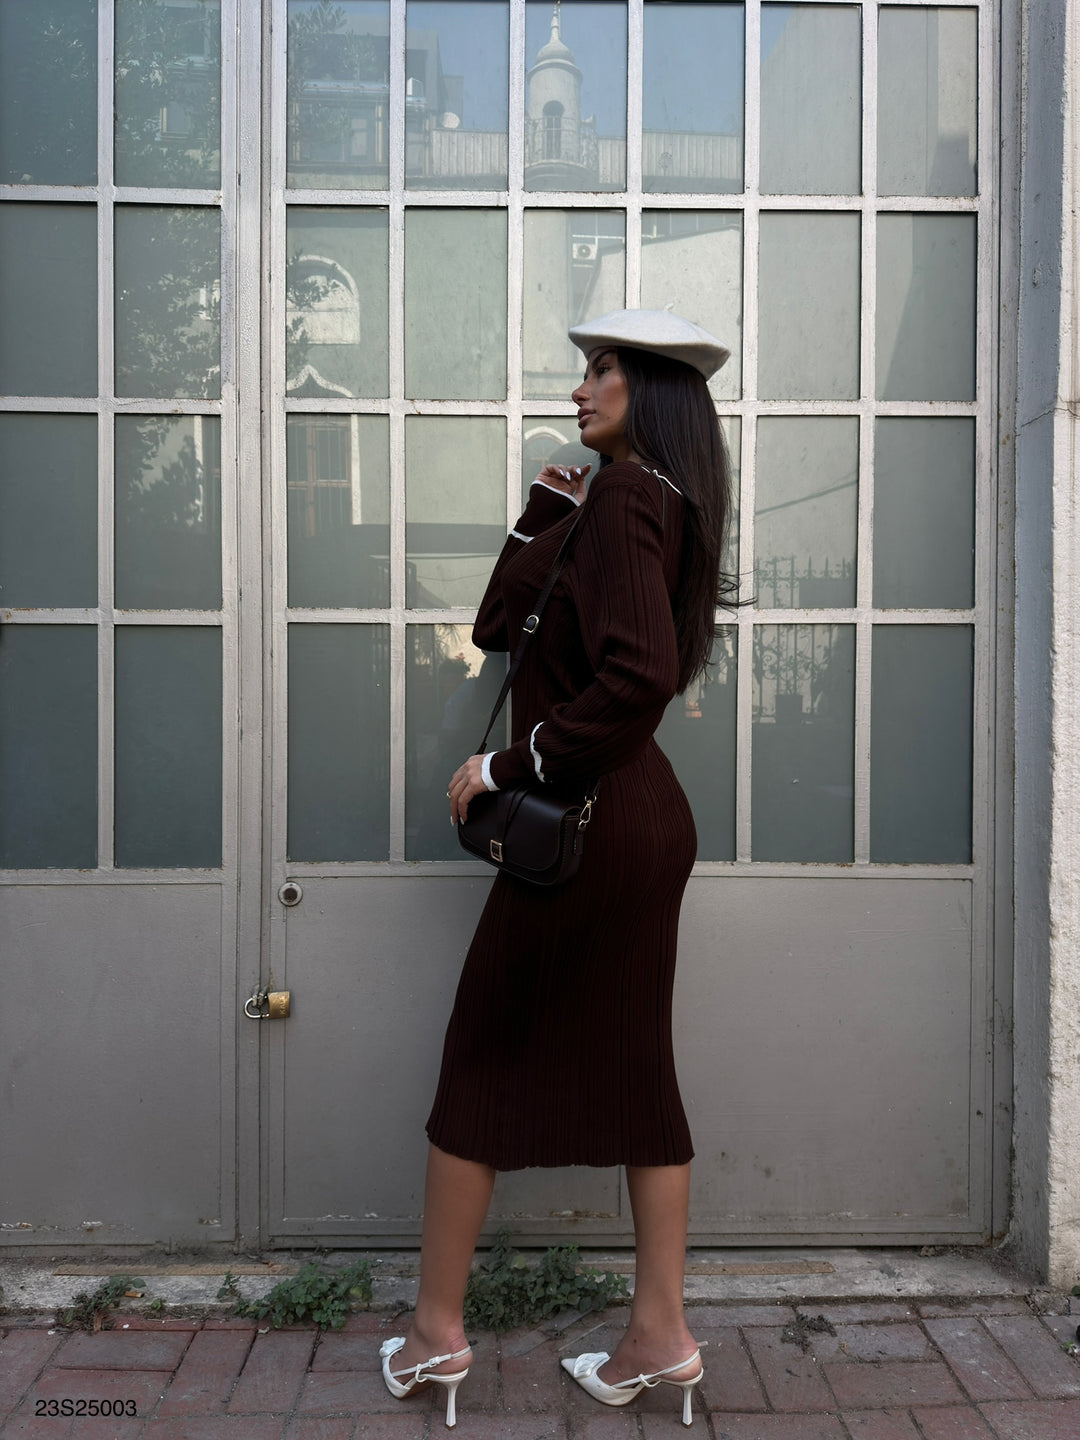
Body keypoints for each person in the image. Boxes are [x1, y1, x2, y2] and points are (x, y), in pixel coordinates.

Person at [379, 308, 734, 1429]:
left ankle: (437, 1336)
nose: (580, 390)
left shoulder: (634, 498)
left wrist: (506, 762)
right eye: (584, 370)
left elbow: (637, 680)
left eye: (603, 372)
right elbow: (499, 629)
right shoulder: (624, 500)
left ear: (657, 390)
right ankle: (660, 1337)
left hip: (591, 819)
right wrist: (544, 512)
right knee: (634, 1067)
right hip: (627, 822)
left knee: (482, 1049)